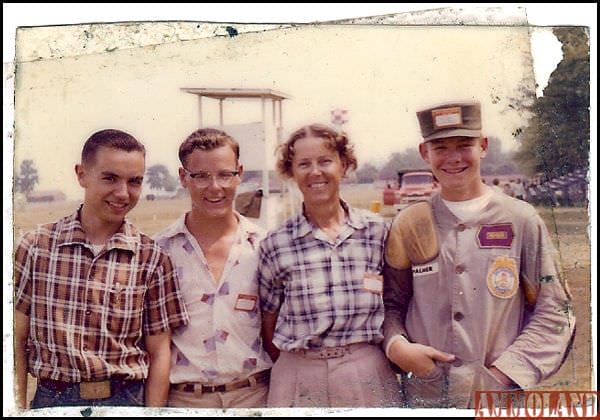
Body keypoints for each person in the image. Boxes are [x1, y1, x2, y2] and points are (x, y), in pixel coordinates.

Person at [382, 101, 576, 408]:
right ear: (424, 153)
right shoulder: (409, 223)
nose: (453, 158)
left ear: (483, 146)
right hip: (424, 396)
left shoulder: (520, 219)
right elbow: (391, 304)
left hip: (497, 398)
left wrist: (504, 373)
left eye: (464, 145)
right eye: (440, 147)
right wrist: (397, 347)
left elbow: (555, 309)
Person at [13, 129, 190, 409]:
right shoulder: (35, 247)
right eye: (110, 178)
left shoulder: (152, 258)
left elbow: (159, 354)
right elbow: (15, 341)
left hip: (125, 400)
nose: (122, 193)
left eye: (134, 182)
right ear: (82, 175)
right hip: (53, 400)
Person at [257, 123, 402, 407]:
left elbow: (396, 301)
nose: (315, 172)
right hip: (299, 375)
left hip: (366, 372)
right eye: (303, 164)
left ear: (344, 165)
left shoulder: (377, 232)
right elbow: (268, 323)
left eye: (325, 161)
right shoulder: (275, 243)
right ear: (291, 172)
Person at [154, 128, 272, 408]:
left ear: (239, 173)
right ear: (184, 177)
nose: (215, 187)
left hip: (255, 396)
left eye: (224, 175)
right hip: (185, 400)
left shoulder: (264, 246)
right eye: (201, 176)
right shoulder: (160, 250)